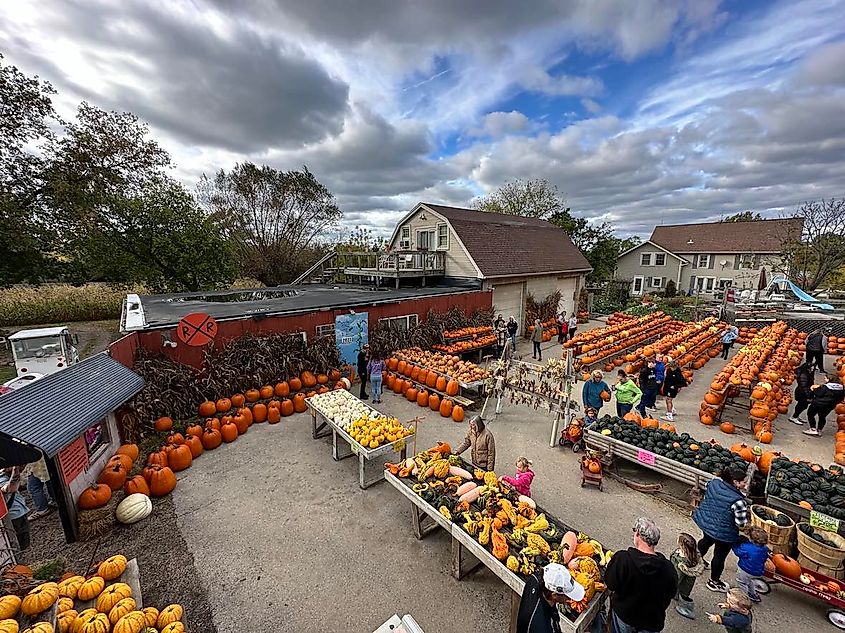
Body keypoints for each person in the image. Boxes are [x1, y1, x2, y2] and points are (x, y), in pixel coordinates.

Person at [597, 517, 678, 633]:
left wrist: (611, 566)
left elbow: (610, 584)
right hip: (651, 621)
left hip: (624, 616)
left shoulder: (622, 559)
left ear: (638, 534)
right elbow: (671, 593)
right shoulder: (668, 569)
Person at [693, 464, 749, 592]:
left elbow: (707, 491)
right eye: (743, 482)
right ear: (735, 482)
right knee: (719, 556)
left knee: (705, 541)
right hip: (724, 533)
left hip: (707, 523)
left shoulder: (713, 483)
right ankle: (714, 582)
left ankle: (695, 560)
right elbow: (741, 523)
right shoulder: (739, 501)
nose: (745, 484)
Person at [517, 563, 585, 633]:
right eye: (566, 595)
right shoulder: (544, 627)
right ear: (554, 595)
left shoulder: (535, 579)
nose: (569, 599)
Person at [671, 532, 705, 619]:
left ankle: (687, 609)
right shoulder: (694, 556)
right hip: (687, 583)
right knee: (683, 591)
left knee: (681, 592)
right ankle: (677, 597)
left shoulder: (681, 562)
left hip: (680, 582)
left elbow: (677, 577)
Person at [733, 527, 769, 603]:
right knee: (749, 581)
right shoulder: (765, 549)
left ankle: (743, 599)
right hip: (757, 572)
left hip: (745, 570)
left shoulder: (747, 547)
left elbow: (737, 552)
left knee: (741, 582)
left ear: (752, 539)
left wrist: (734, 544)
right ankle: (753, 594)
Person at [0, 467, 31, 552]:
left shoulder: (3, 473)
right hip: (14, 517)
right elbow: (11, 488)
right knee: (19, 545)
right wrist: (15, 472)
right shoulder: (2, 480)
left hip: (18, 512)